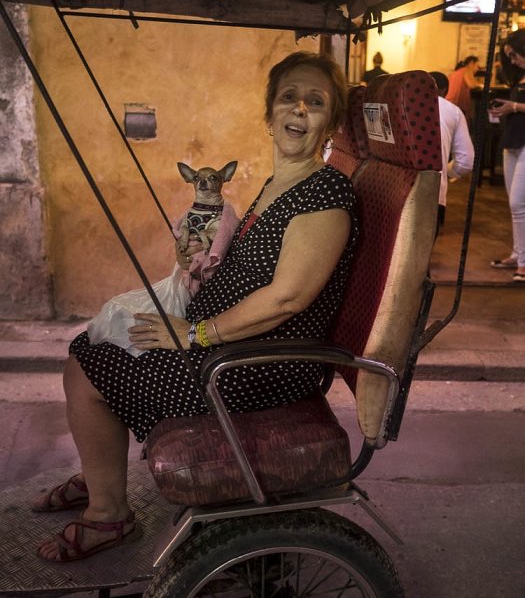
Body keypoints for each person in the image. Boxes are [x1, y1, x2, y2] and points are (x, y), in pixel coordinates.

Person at [32, 51, 359, 562]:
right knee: (96, 339)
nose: (299, 110)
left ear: (331, 120)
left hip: (258, 366)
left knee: (87, 366)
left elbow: (288, 296)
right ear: (269, 112)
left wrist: (194, 334)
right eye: (288, 97)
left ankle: (108, 516)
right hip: (229, 343)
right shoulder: (280, 185)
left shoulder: (325, 196)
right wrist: (202, 265)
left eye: (315, 102)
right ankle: (101, 473)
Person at [488, 30, 525, 282]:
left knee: (518, 203)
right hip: (513, 140)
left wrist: (514, 106)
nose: (513, 60)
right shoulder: (520, 76)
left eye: (515, 55)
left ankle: (523, 262)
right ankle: (518, 253)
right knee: (514, 202)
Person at [429, 71, 474, 233]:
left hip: (396, 190)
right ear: (444, 91)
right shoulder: (454, 112)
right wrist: (445, 172)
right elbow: (466, 161)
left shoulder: (399, 105)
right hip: (434, 192)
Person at [446, 55, 481, 122]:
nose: (477, 69)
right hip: (458, 103)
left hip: (449, 102)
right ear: (471, 63)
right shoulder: (467, 70)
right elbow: (471, 85)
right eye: (477, 66)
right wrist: (480, 84)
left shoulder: (456, 72)